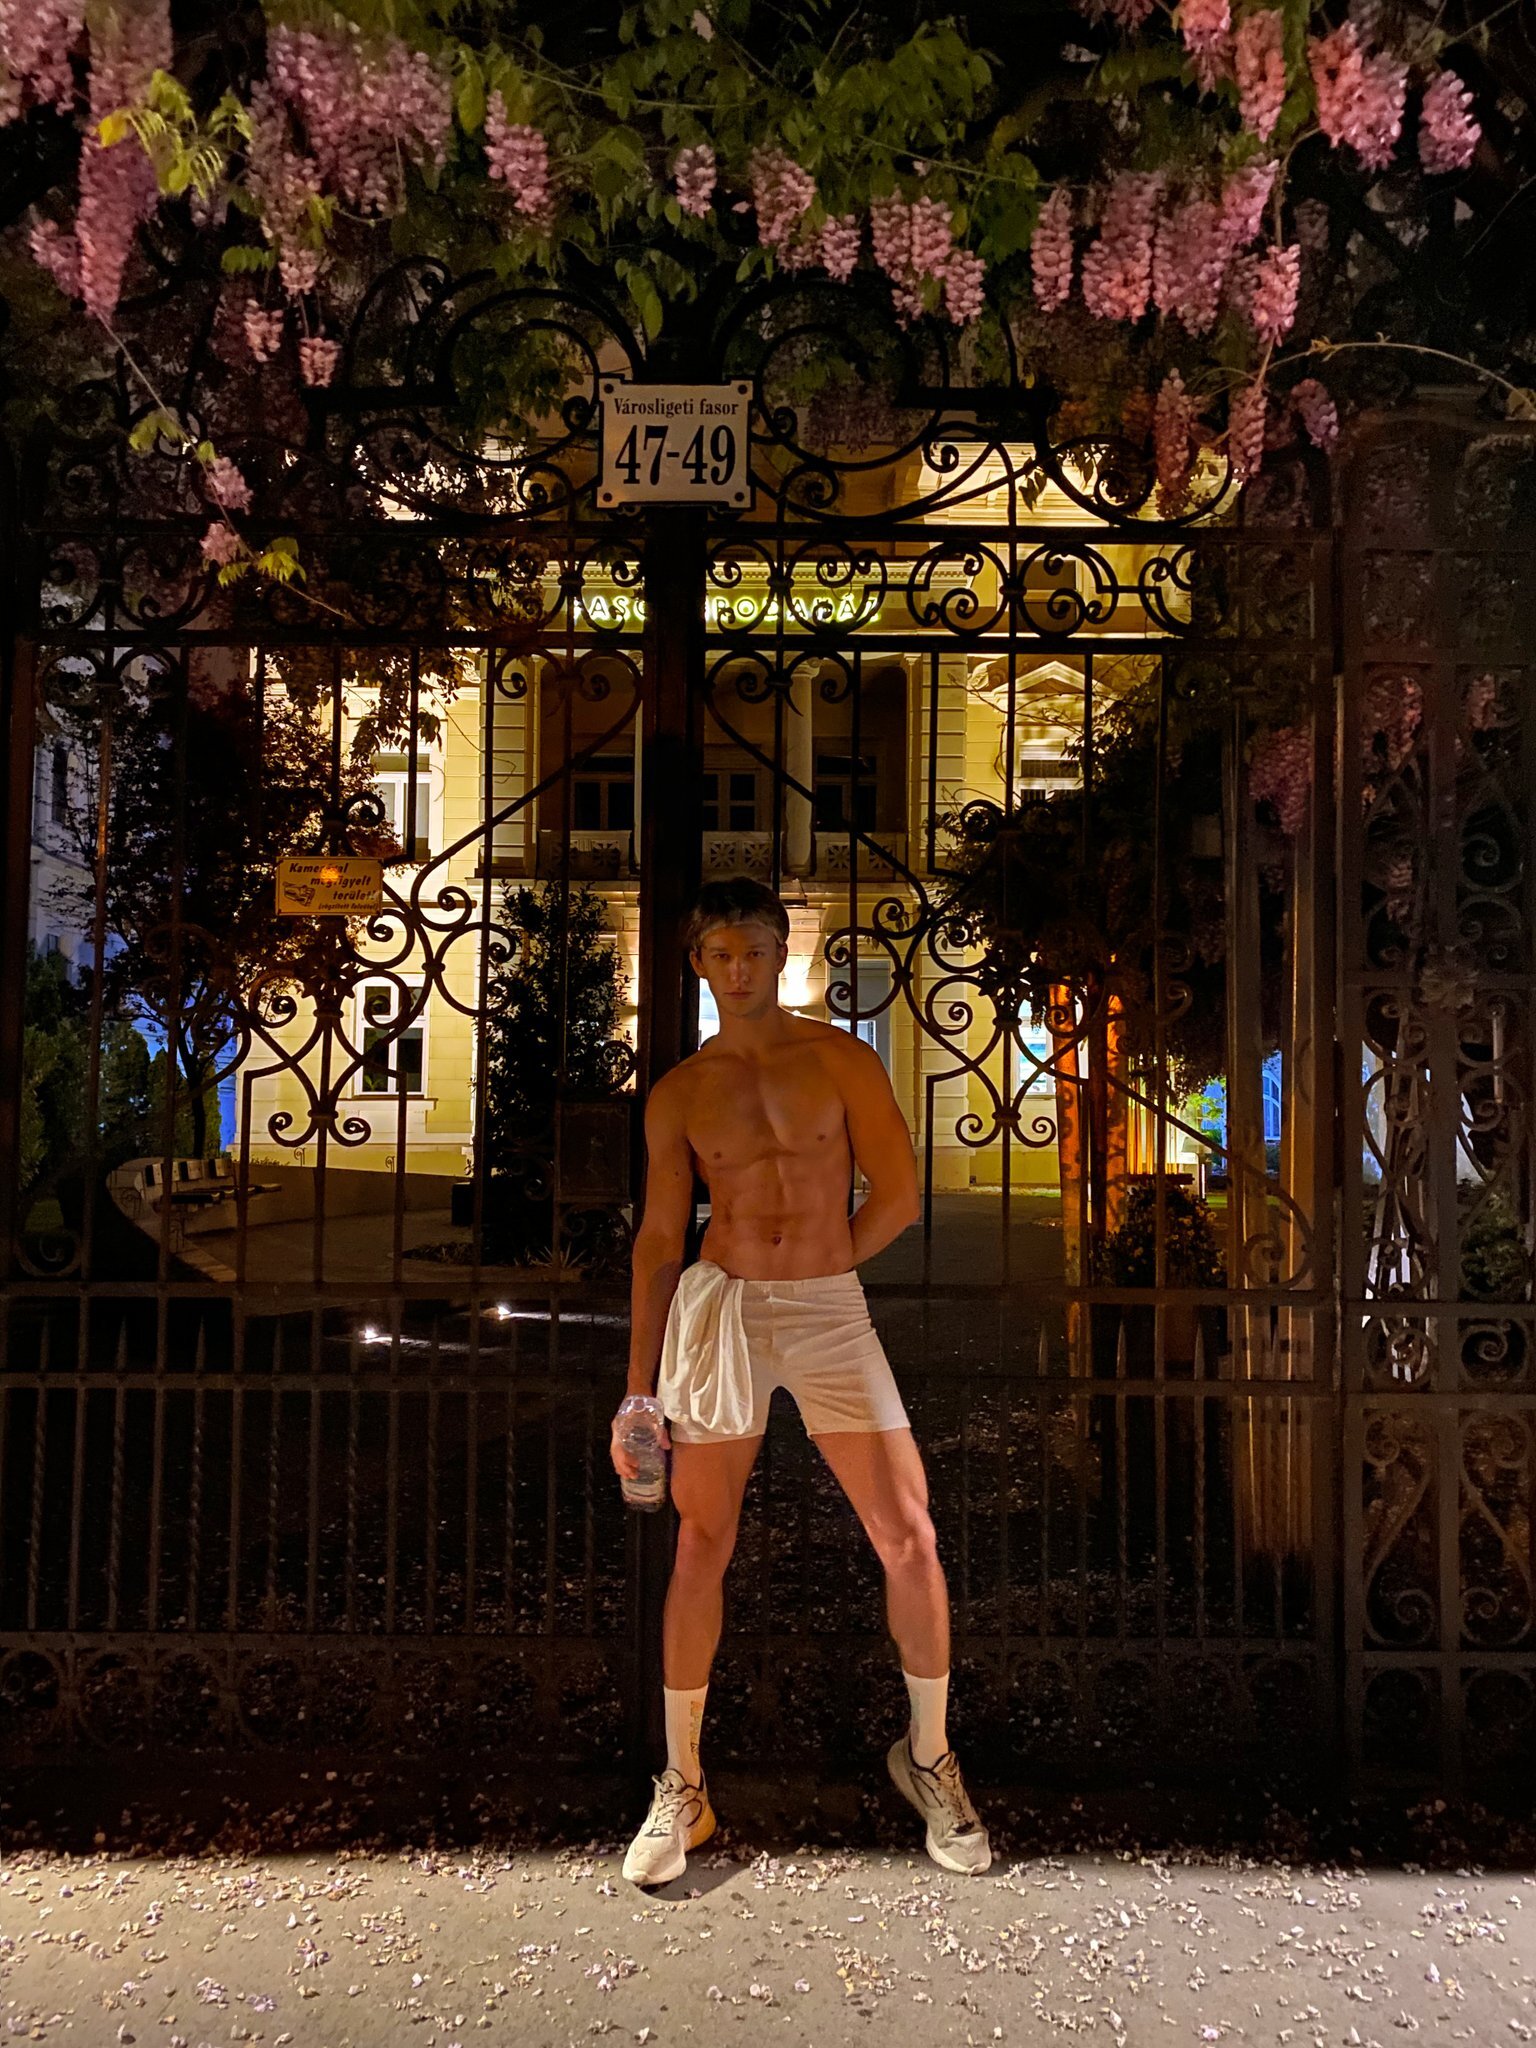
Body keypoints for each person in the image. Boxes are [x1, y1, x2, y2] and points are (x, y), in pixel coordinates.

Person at [611, 876, 991, 1887]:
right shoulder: (680, 1091)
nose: (737, 970)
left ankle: (929, 1758)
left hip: (827, 1313)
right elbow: (659, 1238)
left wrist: (818, 1269)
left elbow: (899, 1196)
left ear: (782, 954)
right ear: (697, 964)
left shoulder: (842, 1059)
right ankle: (682, 1785)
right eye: (718, 954)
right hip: (724, 1316)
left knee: (910, 1534)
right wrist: (638, 1392)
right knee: (701, 1541)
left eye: (753, 951)